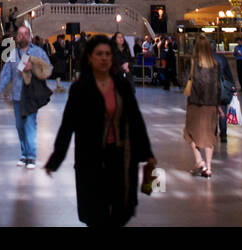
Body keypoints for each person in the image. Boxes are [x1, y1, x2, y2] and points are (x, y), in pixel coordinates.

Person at [44, 35, 157, 227]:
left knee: (120, 210)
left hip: (120, 157)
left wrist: (148, 154)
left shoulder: (122, 86)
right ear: (89, 57)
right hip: (91, 159)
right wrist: (56, 158)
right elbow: (67, 125)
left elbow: (136, 121)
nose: (104, 58)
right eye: (99, 54)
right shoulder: (80, 89)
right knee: (95, 212)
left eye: (107, 54)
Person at [0, 24, 51, 168]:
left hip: (31, 95)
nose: (22, 36)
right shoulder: (12, 54)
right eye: (20, 34)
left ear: (29, 36)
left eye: (25, 34)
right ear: (16, 37)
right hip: (17, 95)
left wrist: (33, 68)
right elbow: (6, 74)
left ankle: (31, 156)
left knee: (30, 125)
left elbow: (48, 69)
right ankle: (23, 154)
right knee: (19, 126)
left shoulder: (38, 52)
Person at [183, 36, 221, 177]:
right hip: (211, 104)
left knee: (190, 133)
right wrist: (217, 104)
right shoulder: (215, 65)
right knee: (209, 135)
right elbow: (217, 86)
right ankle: (209, 168)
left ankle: (200, 161)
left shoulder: (193, 63)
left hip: (196, 104)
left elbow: (186, 81)